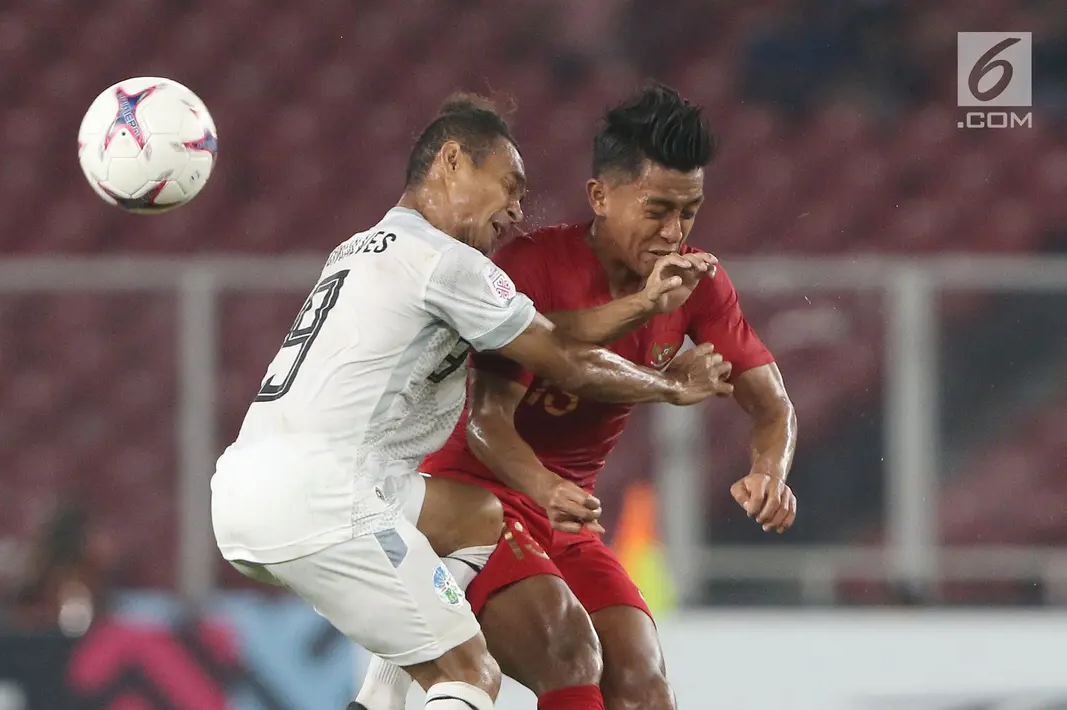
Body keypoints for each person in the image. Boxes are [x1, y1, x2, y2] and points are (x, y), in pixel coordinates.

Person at [210, 93, 735, 710]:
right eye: (508, 184)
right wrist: (672, 387)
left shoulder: (360, 249)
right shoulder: (446, 262)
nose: (515, 209)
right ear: (452, 161)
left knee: (475, 517)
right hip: (328, 495)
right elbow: (560, 355)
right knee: (468, 674)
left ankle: (377, 700)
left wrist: (643, 305)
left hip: (255, 482)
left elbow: (548, 329)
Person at [351, 84, 798, 710]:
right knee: (568, 653)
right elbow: (485, 422)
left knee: (642, 686)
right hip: (479, 506)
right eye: (657, 209)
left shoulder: (698, 281)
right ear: (600, 196)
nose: (674, 231)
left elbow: (772, 404)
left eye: (690, 212)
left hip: (565, 518)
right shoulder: (528, 266)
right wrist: (545, 486)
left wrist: (769, 472)